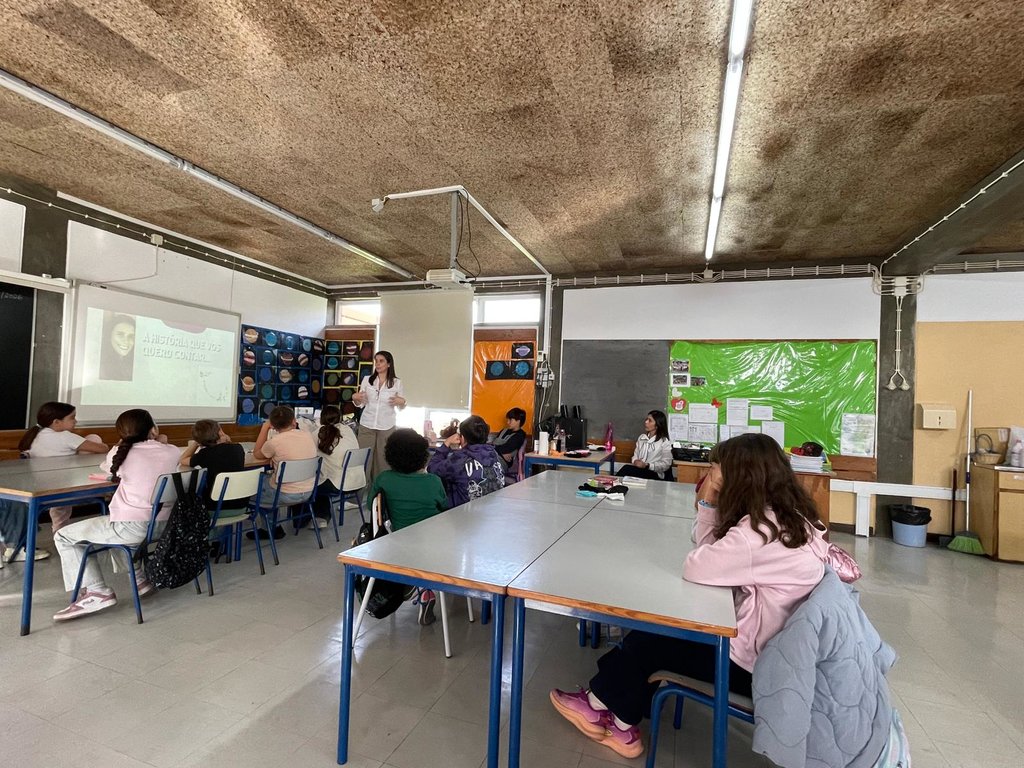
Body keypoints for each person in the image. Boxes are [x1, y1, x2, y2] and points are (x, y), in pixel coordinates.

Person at [549, 433, 830, 759]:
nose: (711, 475)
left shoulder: (760, 533)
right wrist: (710, 504)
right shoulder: (789, 518)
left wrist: (708, 497)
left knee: (652, 636)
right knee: (657, 633)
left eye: (715, 469)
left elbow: (698, 565)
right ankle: (617, 715)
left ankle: (604, 711)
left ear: (741, 476)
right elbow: (710, 549)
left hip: (752, 668)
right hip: (778, 658)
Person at [52, 409, 181, 621]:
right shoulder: (172, 451)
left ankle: (97, 591)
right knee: (114, 527)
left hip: (134, 527)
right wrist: (159, 440)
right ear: (153, 429)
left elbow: (109, 470)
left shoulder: (119, 453)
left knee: (63, 535)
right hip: (167, 525)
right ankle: (139, 579)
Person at [9, 402, 109, 562]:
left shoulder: (35, 436)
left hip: (38, 491)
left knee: (60, 502)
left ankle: (60, 534)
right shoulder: (65, 436)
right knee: (93, 439)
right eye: (72, 418)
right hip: (66, 491)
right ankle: (62, 534)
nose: (75, 421)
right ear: (56, 422)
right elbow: (102, 449)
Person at [366, 428, 447, 623]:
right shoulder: (433, 481)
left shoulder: (384, 479)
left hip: (396, 547)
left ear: (390, 455)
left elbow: (372, 506)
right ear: (422, 456)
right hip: (433, 549)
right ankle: (425, 589)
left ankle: (412, 585)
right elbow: (444, 509)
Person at [250, 404, 318, 539]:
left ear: (273, 426)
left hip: (285, 494)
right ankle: (273, 526)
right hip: (309, 491)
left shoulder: (274, 442)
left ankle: (270, 528)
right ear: (294, 421)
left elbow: (257, 454)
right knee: (269, 483)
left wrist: (264, 428)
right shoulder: (307, 435)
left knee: (254, 487)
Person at [428, 415, 505, 508]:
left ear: (463, 438)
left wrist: (446, 443)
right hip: (491, 508)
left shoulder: (460, 458)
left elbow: (432, 468)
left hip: (462, 511)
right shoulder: (493, 453)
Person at [352, 350, 406, 481]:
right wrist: (355, 398)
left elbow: (401, 406)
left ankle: (379, 490)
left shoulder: (397, 383)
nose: (378, 364)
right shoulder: (367, 380)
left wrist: (402, 402)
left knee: (383, 461)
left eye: (381, 361)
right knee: (364, 460)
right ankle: (361, 491)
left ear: (389, 364)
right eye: (376, 361)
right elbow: (360, 403)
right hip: (367, 424)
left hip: (386, 426)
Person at [310, 405, 361, 527]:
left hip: (337, 484)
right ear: (340, 418)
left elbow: (308, 454)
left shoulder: (318, 433)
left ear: (321, 418)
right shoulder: (348, 430)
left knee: (313, 482)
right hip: (357, 481)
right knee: (324, 476)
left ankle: (321, 517)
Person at [181, 419, 246, 512]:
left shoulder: (204, 454)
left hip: (215, 507)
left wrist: (196, 443)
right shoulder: (238, 448)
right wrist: (227, 439)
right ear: (220, 432)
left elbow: (182, 459)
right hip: (241, 505)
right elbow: (228, 448)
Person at [615, 410, 673, 481]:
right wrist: (635, 461)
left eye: (650, 421)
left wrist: (648, 465)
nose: (646, 422)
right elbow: (635, 455)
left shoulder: (664, 441)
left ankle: (613, 482)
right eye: (646, 419)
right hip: (640, 470)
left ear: (657, 425)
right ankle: (614, 483)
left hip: (654, 473)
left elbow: (666, 464)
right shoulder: (642, 438)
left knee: (627, 469)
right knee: (627, 470)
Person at [490, 407, 528, 483]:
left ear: (518, 421)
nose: (508, 422)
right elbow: (497, 447)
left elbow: (504, 449)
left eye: (510, 420)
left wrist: (496, 449)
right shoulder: (504, 430)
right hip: (492, 456)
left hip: (502, 462)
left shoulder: (520, 435)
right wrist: (500, 452)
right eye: (507, 420)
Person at [98, 313, 136, 381]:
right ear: (109, 335)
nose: (126, 341)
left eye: (131, 336)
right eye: (120, 335)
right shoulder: (99, 366)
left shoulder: (135, 365)